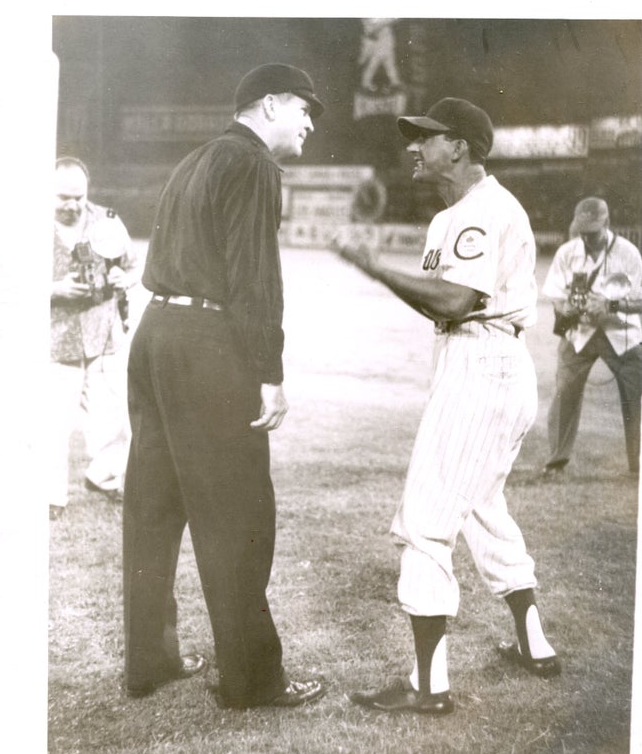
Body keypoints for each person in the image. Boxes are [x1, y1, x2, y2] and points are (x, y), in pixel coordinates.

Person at [335, 97, 560, 717]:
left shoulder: (485, 210)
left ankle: (427, 687)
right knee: (483, 508)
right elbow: (443, 304)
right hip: (483, 363)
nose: (414, 147)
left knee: (426, 520)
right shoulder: (449, 217)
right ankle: (534, 645)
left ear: (459, 146)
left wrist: (374, 267)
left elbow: (457, 302)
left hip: (482, 364)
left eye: (427, 138)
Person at [122, 64, 327, 709]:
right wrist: (270, 374)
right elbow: (254, 277)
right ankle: (253, 680)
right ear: (268, 105)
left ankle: (150, 662)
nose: (310, 124)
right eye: (304, 110)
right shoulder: (255, 165)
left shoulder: (197, 160)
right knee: (238, 515)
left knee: (152, 509)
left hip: (156, 336)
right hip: (207, 347)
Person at [50, 156, 137, 520]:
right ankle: (50, 495)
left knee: (115, 416)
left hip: (103, 333)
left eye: (78, 196)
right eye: (62, 197)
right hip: (55, 338)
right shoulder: (24, 223)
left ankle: (105, 477)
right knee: (52, 419)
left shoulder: (107, 221)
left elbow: (132, 265)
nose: (72, 205)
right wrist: (54, 289)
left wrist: (124, 280)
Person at [542, 197, 642, 476]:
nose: (586, 238)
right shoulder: (568, 251)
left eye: (593, 232)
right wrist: (567, 307)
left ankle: (640, 467)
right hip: (580, 334)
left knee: (636, 397)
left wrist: (610, 305)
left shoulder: (628, 253)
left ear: (607, 224)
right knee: (564, 393)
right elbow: (555, 294)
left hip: (621, 334)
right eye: (582, 231)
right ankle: (555, 463)